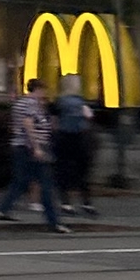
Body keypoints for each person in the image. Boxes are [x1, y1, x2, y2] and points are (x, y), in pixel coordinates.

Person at [0, 85, 60, 231]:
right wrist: (36, 146)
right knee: (45, 183)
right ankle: (54, 221)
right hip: (31, 148)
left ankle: (3, 208)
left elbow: (16, 124)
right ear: (38, 90)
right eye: (43, 91)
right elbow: (28, 122)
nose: (43, 95)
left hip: (21, 146)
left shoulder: (19, 103)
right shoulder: (31, 103)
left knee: (22, 180)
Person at [50, 71, 97, 225]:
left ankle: (66, 203)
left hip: (63, 140)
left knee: (64, 171)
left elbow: (54, 123)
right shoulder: (82, 102)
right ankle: (86, 202)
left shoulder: (59, 103)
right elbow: (89, 119)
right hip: (81, 140)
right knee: (82, 172)